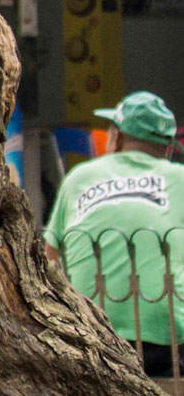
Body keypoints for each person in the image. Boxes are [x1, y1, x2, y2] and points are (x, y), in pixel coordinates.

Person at [45, 91, 184, 375]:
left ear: (116, 136)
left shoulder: (80, 177)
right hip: (166, 343)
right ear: (167, 147)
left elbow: (50, 255)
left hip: (89, 337)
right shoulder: (179, 178)